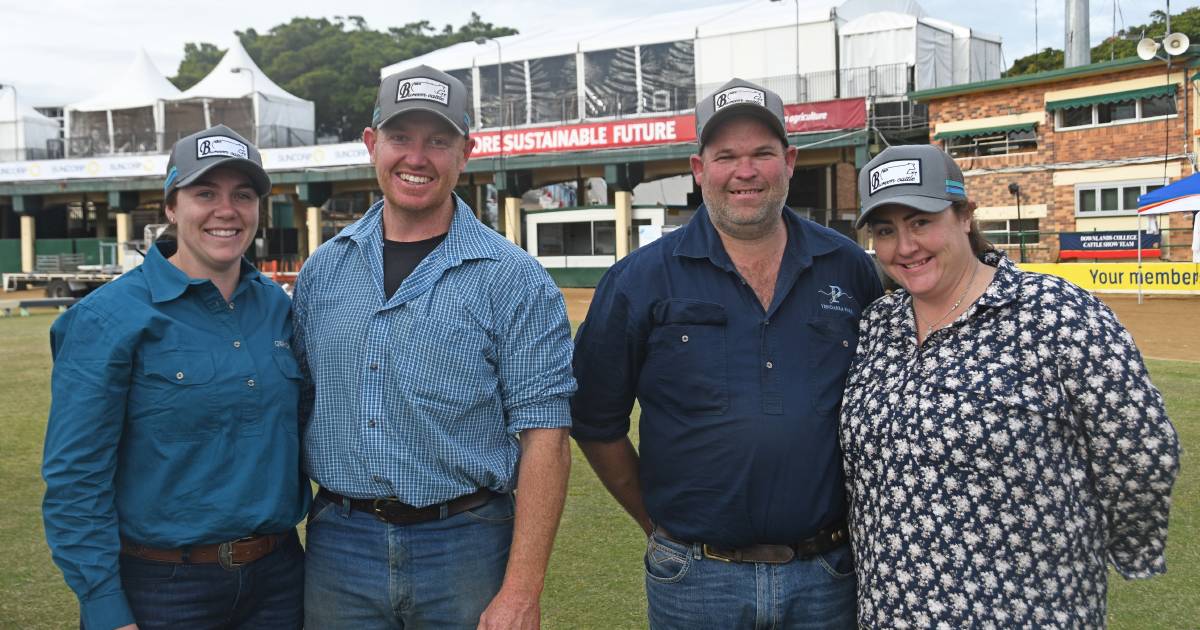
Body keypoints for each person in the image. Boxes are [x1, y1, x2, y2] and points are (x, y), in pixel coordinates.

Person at [571, 78, 883, 629]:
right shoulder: (638, 280)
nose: (746, 171)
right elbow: (596, 423)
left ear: (789, 162)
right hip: (695, 579)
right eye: (727, 156)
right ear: (698, 168)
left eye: (763, 153)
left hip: (827, 576)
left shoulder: (850, 267)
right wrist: (657, 523)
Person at [841, 144, 1181, 628]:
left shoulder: (1054, 313)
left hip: (1026, 610)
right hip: (890, 612)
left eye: (921, 221)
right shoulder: (878, 324)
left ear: (964, 216)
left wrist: (1108, 545)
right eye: (885, 230)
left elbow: (1141, 450)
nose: (905, 246)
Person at [292, 65, 576, 629]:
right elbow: (298, 403)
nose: (416, 158)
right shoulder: (323, 271)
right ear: (372, 144)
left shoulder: (514, 278)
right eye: (400, 138)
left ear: (465, 153)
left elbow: (547, 437)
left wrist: (521, 591)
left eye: (438, 141)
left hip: (466, 543)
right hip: (340, 544)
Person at [42, 124, 310, 630]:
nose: (226, 210)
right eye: (204, 192)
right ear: (171, 206)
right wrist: (104, 607)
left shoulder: (277, 306)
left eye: (243, 195)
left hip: (278, 579)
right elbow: (76, 477)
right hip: (164, 588)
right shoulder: (107, 318)